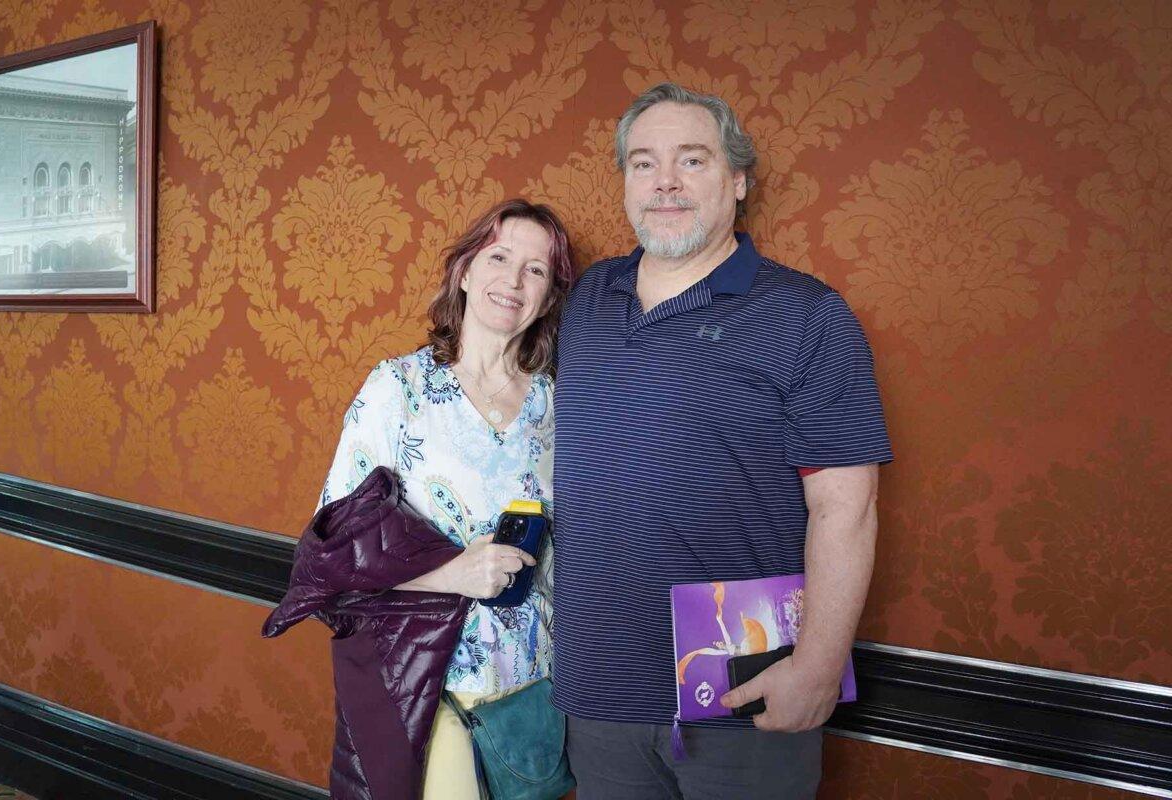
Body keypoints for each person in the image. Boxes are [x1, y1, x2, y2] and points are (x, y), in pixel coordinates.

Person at [551, 83, 893, 798]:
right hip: (599, 688)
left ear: (738, 180)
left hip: (744, 688)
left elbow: (847, 509)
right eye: (643, 164)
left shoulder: (808, 315)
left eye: (693, 160)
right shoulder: (586, 298)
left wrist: (821, 667)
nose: (665, 181)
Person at [317, 198, 576, 799]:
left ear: (549, 295)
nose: (513, 280)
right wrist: (452, 573)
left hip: (533, 691)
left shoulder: (558, 404)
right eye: (499, 256)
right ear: (464, 271)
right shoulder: (397, 390)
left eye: (536, 270)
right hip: (425, 684)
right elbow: (329, 556)